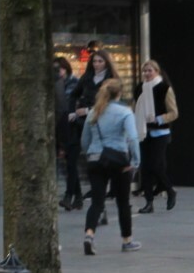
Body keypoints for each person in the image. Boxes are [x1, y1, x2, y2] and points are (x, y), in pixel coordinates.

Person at [79, 78, 140, 255]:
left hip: (95, 159)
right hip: (118, 160)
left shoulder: (93, 112)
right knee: (123, 201)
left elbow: (84, 140)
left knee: (97, 201)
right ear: (120, 93)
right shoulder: (125, 112)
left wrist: (90, 153)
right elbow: (133, 138)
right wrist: (135, 162)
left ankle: (89, 235)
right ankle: (127, 240)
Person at [69, 50, 120, 216]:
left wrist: (89, 110)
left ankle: (100, 201)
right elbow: (74, 94)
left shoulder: (111, 79)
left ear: (106, 62)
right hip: (84, 123)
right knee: (88, 160)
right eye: (94, 61)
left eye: (100, 61)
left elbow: (112, 103)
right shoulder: (86, 77)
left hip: (101, 121)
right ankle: (97, 199)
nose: (97, 64)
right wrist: (73, 111)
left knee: (100, 161)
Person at [133, 59, 179, 214]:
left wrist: (158, 119)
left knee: (156, 165)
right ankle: (149, 202)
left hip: (160, 132)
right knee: (145, 168)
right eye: (144, 71)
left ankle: (169, 190)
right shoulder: (139, 88)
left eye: (150, 71)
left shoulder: (164, 88)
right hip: (143, 131)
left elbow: (174, 113)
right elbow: (136, 107)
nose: (147, 74)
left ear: (157, 72)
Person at [54, 57, 82, 211]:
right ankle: (77, 197)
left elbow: (67, 104)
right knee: (69, 164)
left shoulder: (73, 83)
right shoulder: (57, 84)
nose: (58, 72)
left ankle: (69, 195)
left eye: (60, 69)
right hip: (61, 128)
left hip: (73, 127)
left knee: (71, 163)